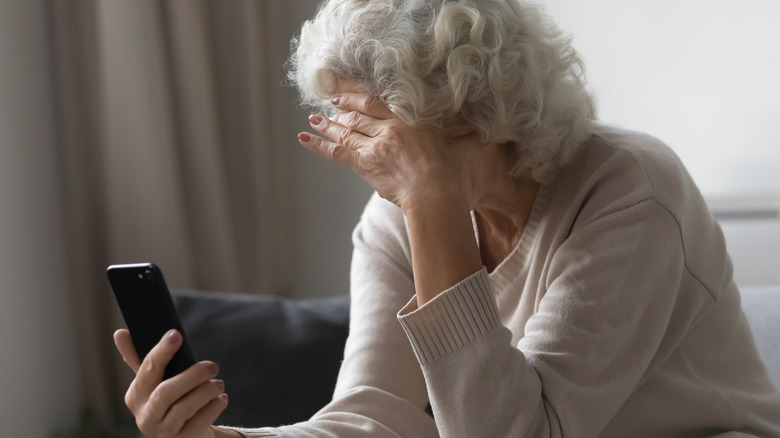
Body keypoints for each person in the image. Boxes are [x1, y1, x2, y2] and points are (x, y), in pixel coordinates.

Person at [113, 0, 780, 437]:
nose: (367, 160)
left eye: (386, 137)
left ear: (487, 118)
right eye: (355, 130)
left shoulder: (631, 191)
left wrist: (430, 207)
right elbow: (377, 414)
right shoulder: (395, 212)